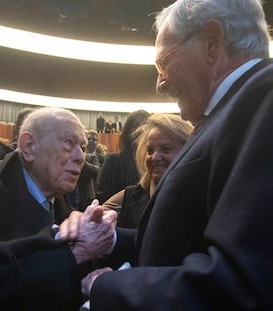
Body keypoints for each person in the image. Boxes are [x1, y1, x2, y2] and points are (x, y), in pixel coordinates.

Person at [60, 0, 273, 309]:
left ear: (212, 41)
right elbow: (186, 243)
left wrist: (105, 286)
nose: (160, 84)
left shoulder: (262, 103)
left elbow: (241, 284)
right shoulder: (232, 111)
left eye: (163, 64)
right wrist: (111, 239)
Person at [0, 107, 116, 310]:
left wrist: (88, 281)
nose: (81, 156)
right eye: (69, 144)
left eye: (82, 147)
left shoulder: (63, 203)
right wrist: (76, 254)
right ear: (29, 146)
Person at [103, 113, 193, 228]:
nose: (154, 157)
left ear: (189, 150)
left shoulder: (204, 196)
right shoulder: (130, 197)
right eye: (150, 151)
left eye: (166, 149)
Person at [95, 110, 150, 204]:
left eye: (145, 126)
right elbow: (103, 198)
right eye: (135, 126)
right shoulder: (113, 160)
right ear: (127, 132)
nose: (140, 130)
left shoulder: (155, 161)